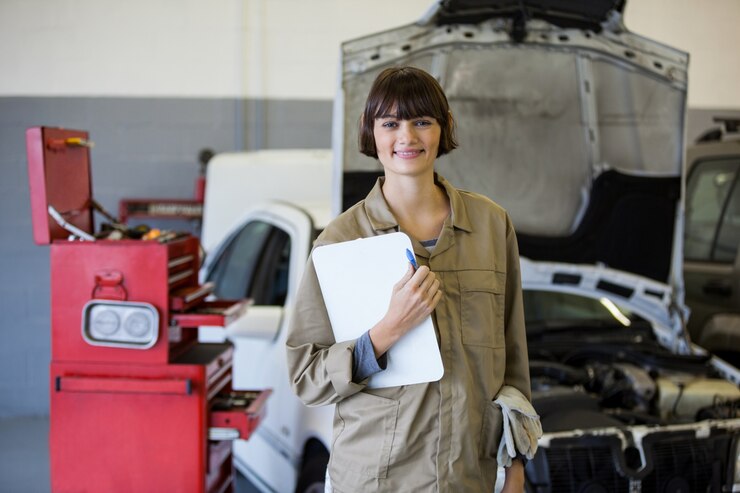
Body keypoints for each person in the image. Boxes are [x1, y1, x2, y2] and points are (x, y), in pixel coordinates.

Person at [286, 66, 536, 492]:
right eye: (390, 123)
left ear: (443, 129)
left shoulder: (492, 226)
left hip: (468, 478)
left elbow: (514, 361)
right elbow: (306, 375)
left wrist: (515, 469)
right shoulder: (341, 241)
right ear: (371, 133)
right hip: (376, 481)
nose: (407, 136)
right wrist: (385, 333)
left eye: (422, 120)